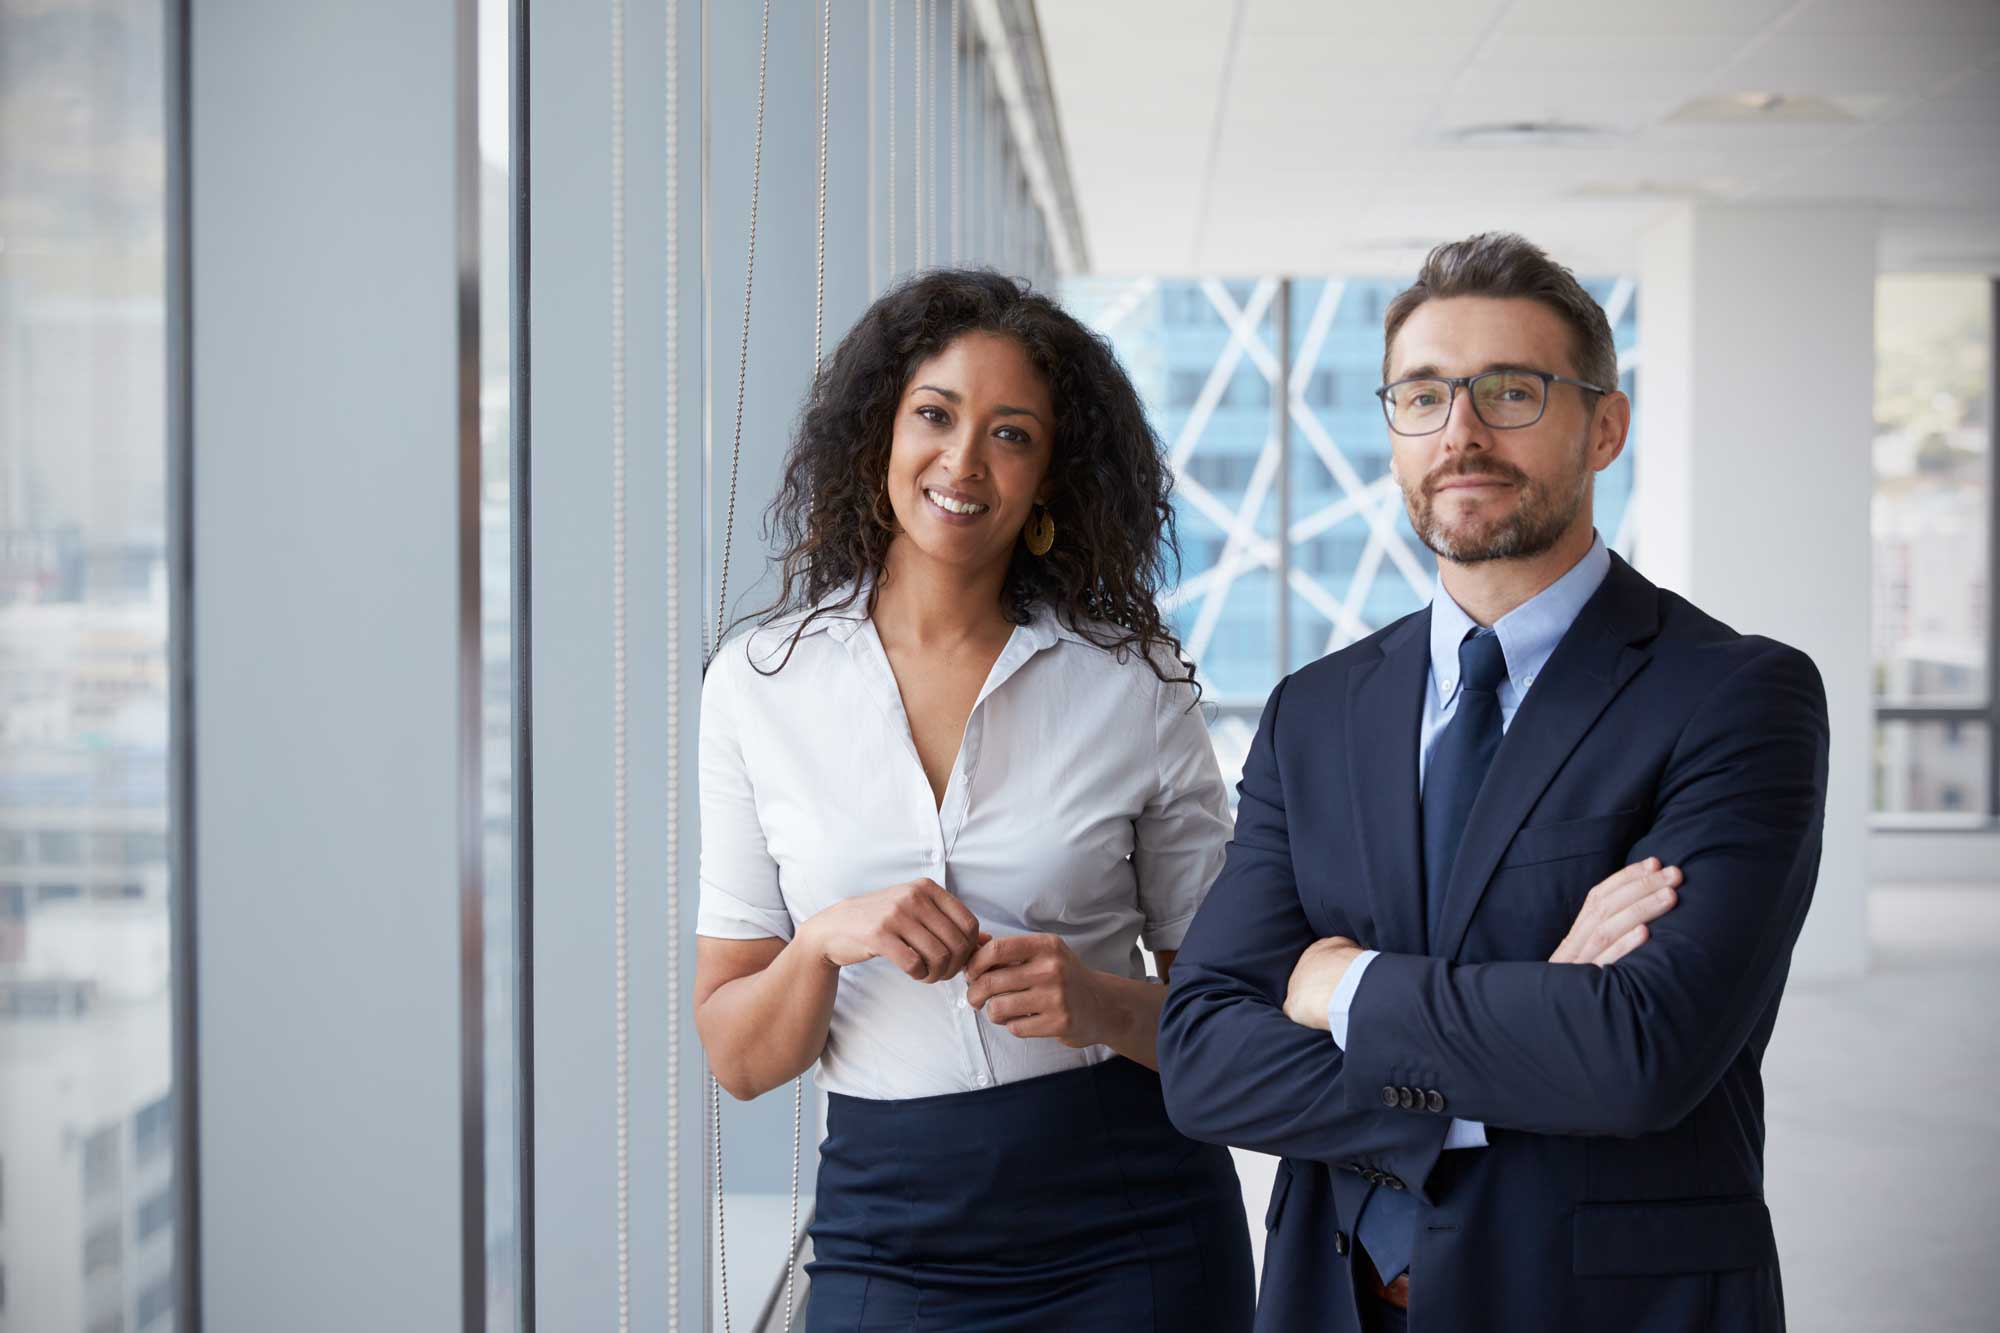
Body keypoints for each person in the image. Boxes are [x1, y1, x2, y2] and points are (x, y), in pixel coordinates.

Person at [1157, 232, 1827, 1333]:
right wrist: (1529, 1016)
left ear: (1602, 426)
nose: (1459, 433)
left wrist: (1347, 990)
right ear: (1390, 431)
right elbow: (1200, 1061)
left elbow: (1635, 1053)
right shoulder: (1316, 711)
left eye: (1510, 392)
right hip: (1338, 1298)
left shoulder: (1734, 696)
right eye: (1422, 395)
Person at [694, 269, 1255, 1332]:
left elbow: (1229, 1016)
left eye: (1010, 434)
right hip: (887, 1227)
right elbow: (738, 1055)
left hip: (1131, 1219)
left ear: (1049, 477)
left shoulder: (1132, 687)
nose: (961, 462)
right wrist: (820, 942)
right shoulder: (757, 688)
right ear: (879, 436)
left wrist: (1093, 1000)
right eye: (934, 416)